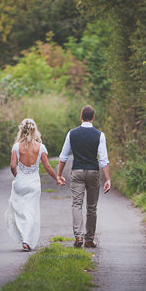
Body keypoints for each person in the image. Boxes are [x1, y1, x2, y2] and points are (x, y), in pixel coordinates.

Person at [56, 105, 111, 248]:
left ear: (81, 117)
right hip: (93, 172)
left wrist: (59, 175)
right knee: (92, 207)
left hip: (77, 172)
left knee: (76, 204)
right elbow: (103, 160)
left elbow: (63, 156)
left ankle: (78, 236)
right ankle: (89, 239)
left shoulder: (72, 134)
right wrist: (108, 179)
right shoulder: (100, 135)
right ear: (93, 118)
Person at [5, 118, 63, 251]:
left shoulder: (16, 147)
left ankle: (23, 237)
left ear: (22, 130)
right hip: (34, 184)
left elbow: (13, 165)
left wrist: (17, 176)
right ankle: (26, 240)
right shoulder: (40, 147)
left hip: (20, 182)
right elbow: (47, 167)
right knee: (31, 212)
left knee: (20, 210)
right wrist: (56, 178)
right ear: (34, 130)